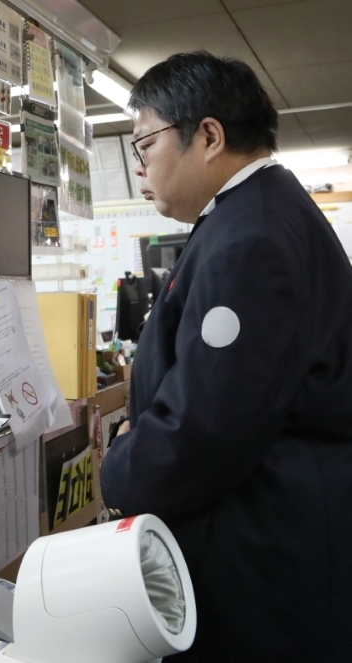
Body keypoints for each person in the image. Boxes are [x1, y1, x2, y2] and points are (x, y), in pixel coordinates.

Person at [100, 51, 352, 662]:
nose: (140, 167)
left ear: (208, 136)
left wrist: (122, 461)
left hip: (264, 552)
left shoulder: (253, 238)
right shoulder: (251, 217)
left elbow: (209, 427)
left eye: (145, 144)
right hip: (276, 530)